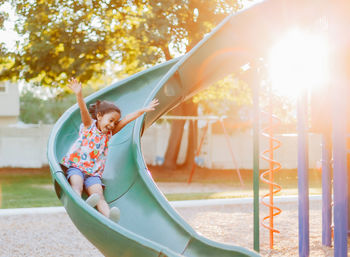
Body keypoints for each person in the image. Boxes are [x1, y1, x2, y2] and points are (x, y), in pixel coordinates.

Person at [61, 77, 159, 222]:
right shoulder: (89, 126)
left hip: (94, 174)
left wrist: (143, 110)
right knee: (76, 184)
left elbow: (126, 119)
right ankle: (81, 205)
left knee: (99, 195)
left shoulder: (109, 134)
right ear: (99, 116)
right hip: (77, 167)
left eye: (115, 122)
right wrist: (78, 94)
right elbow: (82, 109)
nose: (113, 125)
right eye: (110, 120)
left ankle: (109, 217)